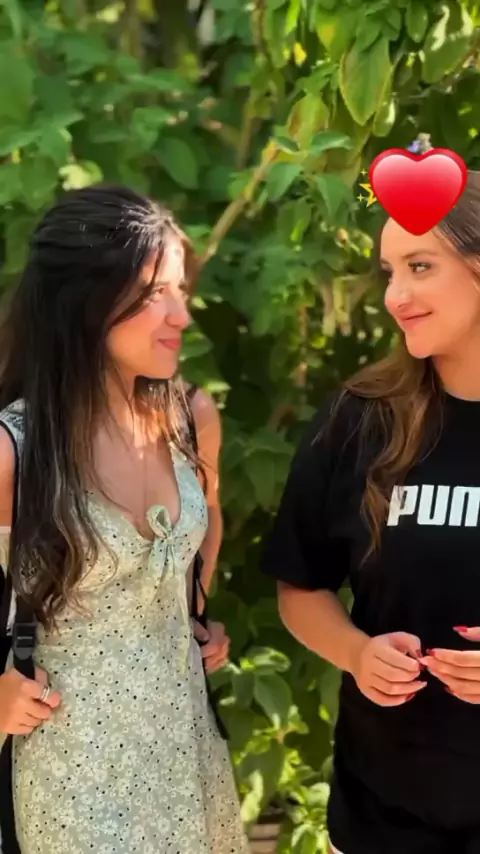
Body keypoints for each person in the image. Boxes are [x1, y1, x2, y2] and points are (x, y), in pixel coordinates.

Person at [0, 185, 249, 854]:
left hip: (188, 757)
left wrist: (188, 609)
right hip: (73, 771)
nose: (180, 315)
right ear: (84, 303)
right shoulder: (14, 451)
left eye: (179, 291)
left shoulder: (191, 420)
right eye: (152, 295)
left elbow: (206, 523)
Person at [262, 170, 480, 854]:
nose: (396, 296)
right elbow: (301, 586)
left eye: (421, 266)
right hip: (385, 815)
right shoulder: (359, 419)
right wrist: (356, 653)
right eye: (389, 272)